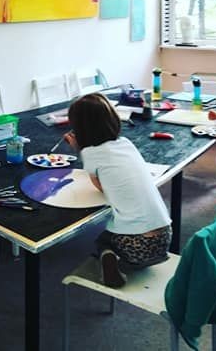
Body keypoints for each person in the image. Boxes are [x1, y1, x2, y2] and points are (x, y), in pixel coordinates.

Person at [65, 93, 172, 287]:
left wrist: (79, 150)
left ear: (79, 129)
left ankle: (110, 259)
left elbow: (101, 187)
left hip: (136, 246)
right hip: (164, 239)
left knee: (101, 240)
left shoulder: (89, 153)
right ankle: (125, 261)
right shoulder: (126, 144)